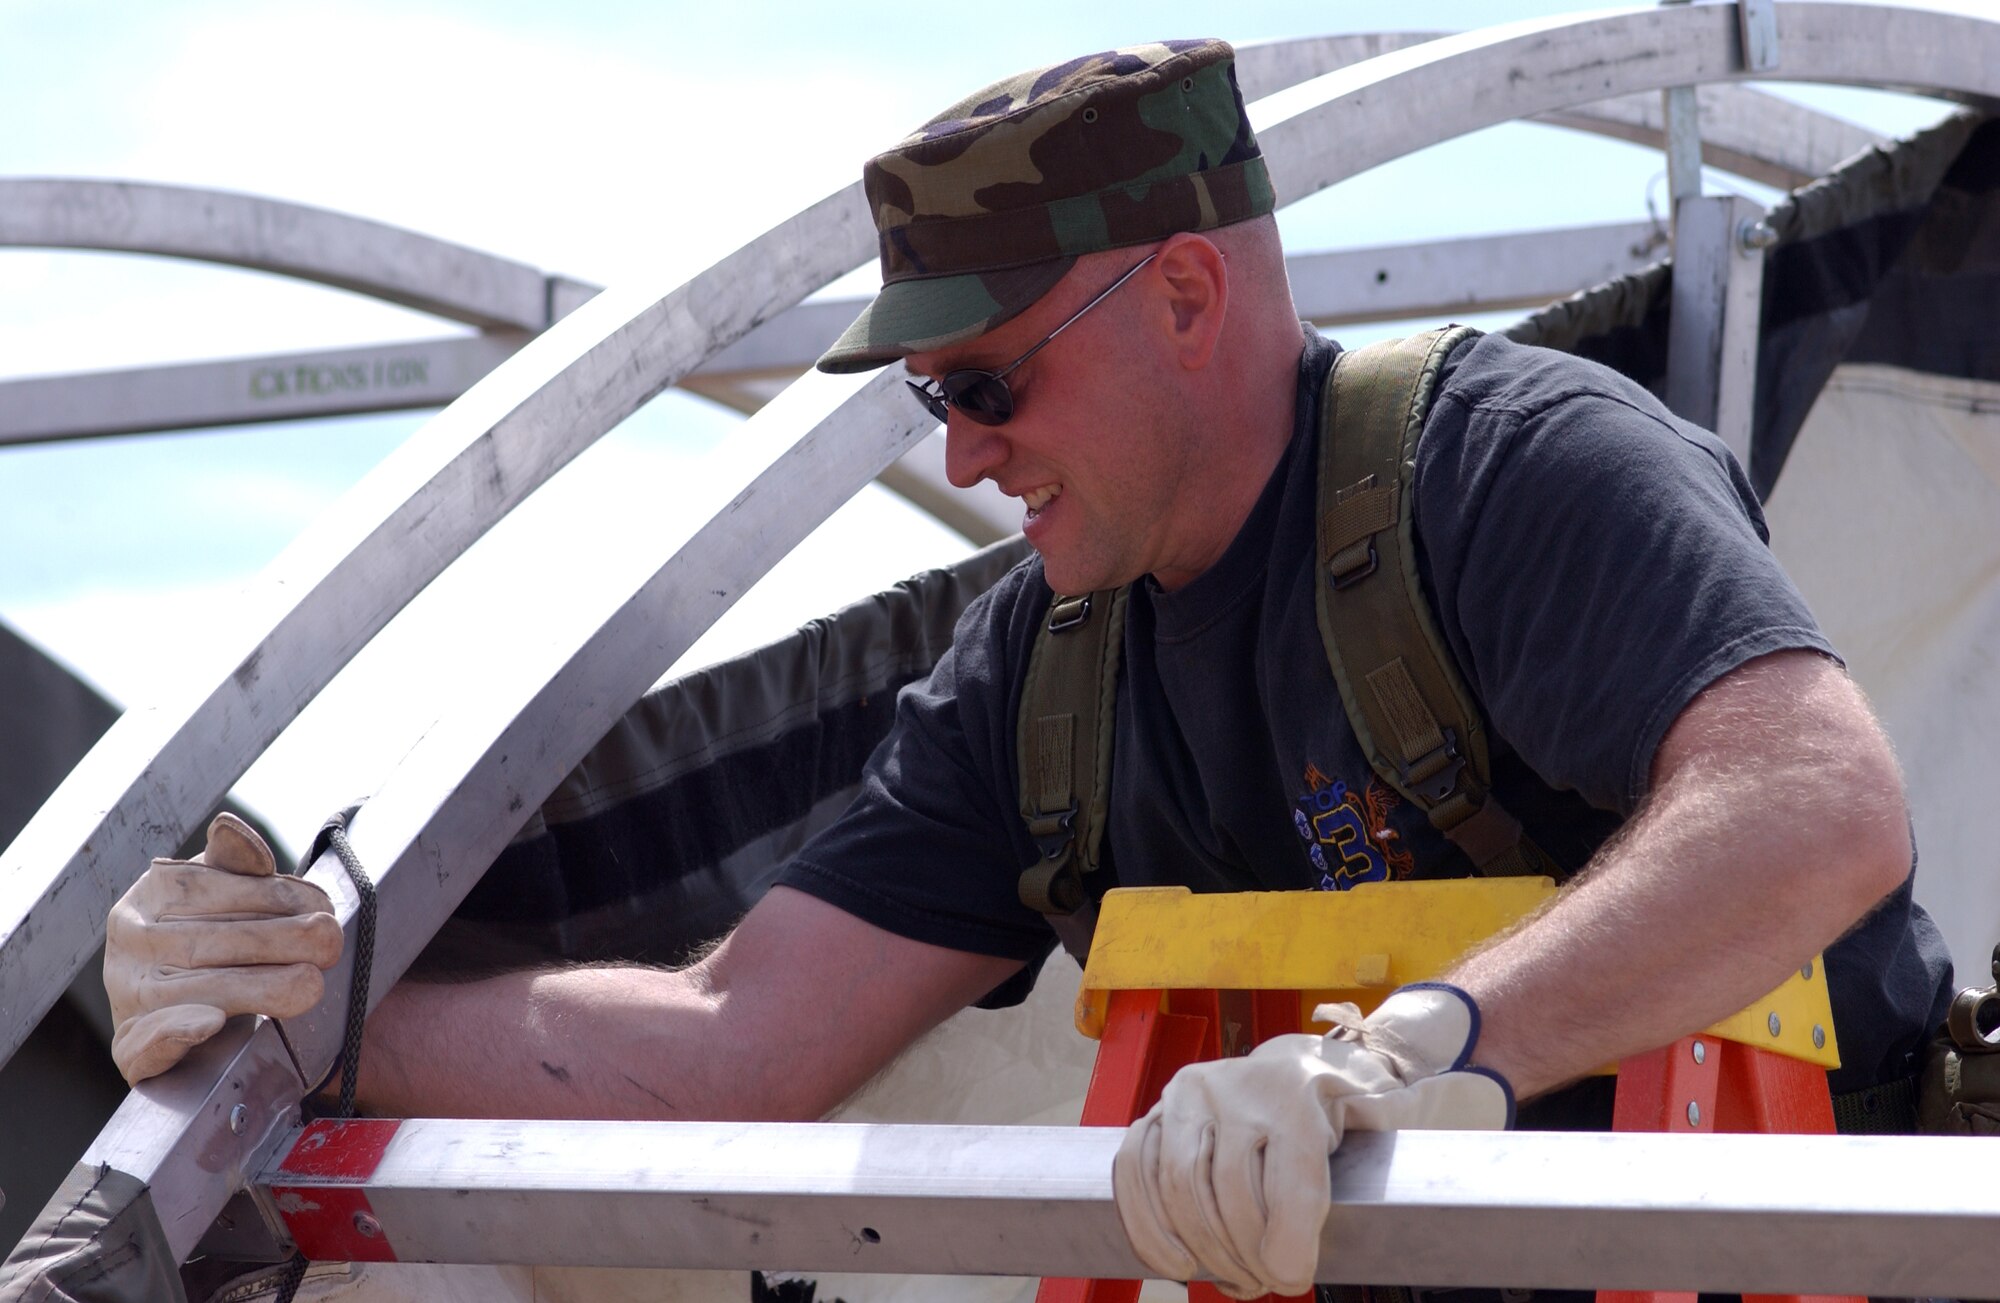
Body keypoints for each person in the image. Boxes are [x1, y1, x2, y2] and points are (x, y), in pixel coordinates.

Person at [105, 39, 1951, 1300]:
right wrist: (301, 1017)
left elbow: (1816, 801)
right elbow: (729, 1052)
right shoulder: (1040, 668)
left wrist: (1405, 1058)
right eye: (928, 403)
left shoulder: (1512, 466)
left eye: (986, 385)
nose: (960, 455)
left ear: (1180, 299)